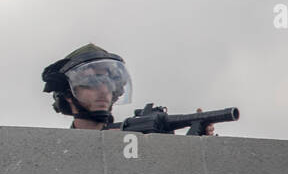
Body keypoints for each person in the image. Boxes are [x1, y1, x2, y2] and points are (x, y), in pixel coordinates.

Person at [41, 43, 216, 134]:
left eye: (110, 83)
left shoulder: (134, 141)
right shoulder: (58, 151)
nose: (103, 89)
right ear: (69, 94)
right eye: (91, 83)